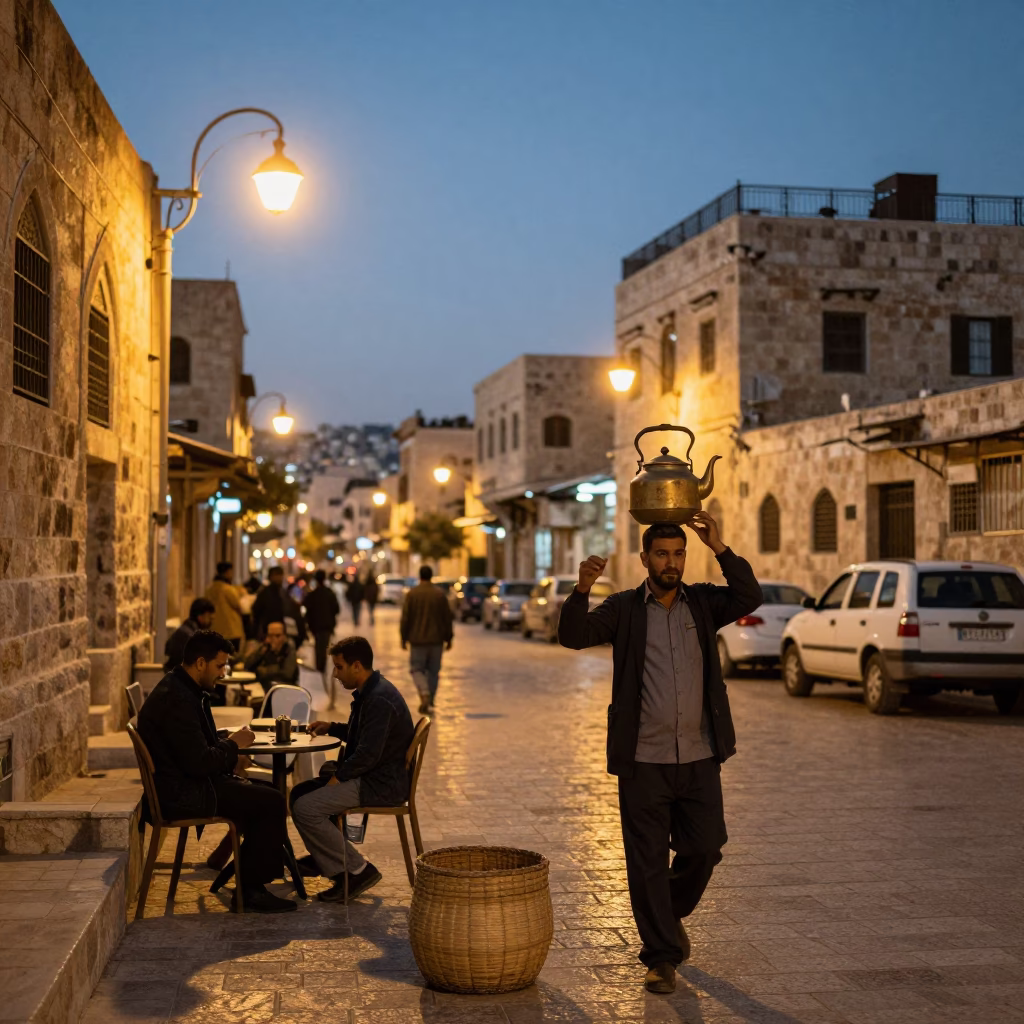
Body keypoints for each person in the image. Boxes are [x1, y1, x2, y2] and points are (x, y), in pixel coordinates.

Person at [558, 512, 761, 995]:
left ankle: (666, 914)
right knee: (645, 859)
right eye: (662, 554)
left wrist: (720, 548)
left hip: (698, 755)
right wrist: (581, 590)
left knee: (706, 848)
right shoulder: (625, 608)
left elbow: (750, 596)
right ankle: (661, 957)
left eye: (678, 554)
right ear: (645, 558)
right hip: (644, 760)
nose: (671, 562)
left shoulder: (705, 603)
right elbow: (573, 636)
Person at [137, 629, 295, 913]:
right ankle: (250, 890)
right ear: (200, 663)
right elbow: (199, 763)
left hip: (187, 784)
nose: (223, 673)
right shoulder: (178, 699)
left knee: (268, 793)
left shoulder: (183, 689)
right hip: (183, 794)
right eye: (220, 665)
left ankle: (248, 880)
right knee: (272, 802)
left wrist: (225, 745)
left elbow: (195, 746)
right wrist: (233, 746)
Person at [290, 636, 415, 902]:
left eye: (339, 667)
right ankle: (329, 861)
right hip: (372, 775)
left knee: (305, 807)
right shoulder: (371, 692)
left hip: (379, 784)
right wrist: (332, 727)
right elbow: (364, 737)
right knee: (299, 793)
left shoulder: (379, 699)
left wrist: (338, 777)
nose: (335, 674)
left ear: (357, 666)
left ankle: (358, 870)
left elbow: (368, 754)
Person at [400, 565, 454, 714]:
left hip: (417, 640)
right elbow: (447, 618)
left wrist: (403, 638)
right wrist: (449, 638)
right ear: (431, 576)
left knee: (417, 669)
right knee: (434, 671)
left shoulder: (412, 594)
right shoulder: (439, 595)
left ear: (420, 576)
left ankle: (424, 692)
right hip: (437, 640)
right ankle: (430, 699)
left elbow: (405, 618)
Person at [252, 566, 307, 646]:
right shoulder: (265, 593)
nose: (279, 578)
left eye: (280, 575)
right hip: (269, 633)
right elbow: (256, 612)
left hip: (283, 631)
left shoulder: (283, 592)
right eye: (276, 575)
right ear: (271, 577)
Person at [303, 569, 341, 681]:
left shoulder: (312, 594)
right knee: (323, 646)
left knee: (318, 646)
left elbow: (306, 608)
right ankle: (321, 669)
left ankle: (319, 668)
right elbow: (336, 609)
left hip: (316, 625)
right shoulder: (329, 593)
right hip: (326, 625)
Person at [243, 621, 299, 689]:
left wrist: (265, 671)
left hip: (284, 689)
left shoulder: (289, 649)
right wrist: (260, 654)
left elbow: (287, 673)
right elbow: (247, 665)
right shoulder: (266, 648)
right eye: (270, 635)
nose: (273, 639)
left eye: (277, 636)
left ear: (284, 636)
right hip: (263, 687)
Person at [163, 598, 214, 671]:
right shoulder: (190, 636)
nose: (211, 620)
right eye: (209, 617)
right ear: (200, 617)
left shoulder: (184, 629)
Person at [205, 561, 244, 653]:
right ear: (227, 572)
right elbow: (238, 605)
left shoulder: (209, 589)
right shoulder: (228, 589)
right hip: (231, 629)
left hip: (215, 629)